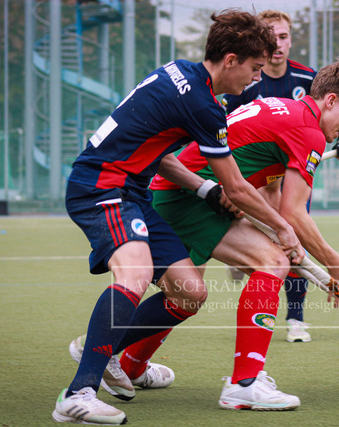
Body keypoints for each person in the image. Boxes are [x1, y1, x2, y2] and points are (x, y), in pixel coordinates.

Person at [53, 10, 304, 425]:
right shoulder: (203, 105)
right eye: (255, 68)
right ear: (231, 60)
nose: (256, 78)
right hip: (102, 187)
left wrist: (205, 190)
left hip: (133, 194)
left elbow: (162, 155)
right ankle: (79, 392)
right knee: (135, 272)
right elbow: (238, 187)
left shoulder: (180, 73)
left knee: (190, 293)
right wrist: (283, 229)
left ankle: (106, 351)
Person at [116, 58, 339, 411]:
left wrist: (279, 234)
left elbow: (269, 191)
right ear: (330, 100)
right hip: (193, 197)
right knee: (271, 263)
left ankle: (128, 365)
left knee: (185, 295)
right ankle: (244, 383)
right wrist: (334, 263)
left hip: (180, 193)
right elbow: (294, 212)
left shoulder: (285, 109)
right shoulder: (309, 132)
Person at [222, 9, 339, 343]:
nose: (278, 44)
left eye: (283, 36)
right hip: (254, 173)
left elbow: (329, 117)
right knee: (277, 239)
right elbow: (226, 130)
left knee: (294, 233)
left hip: (290, 172)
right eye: (271, 36)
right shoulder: (246, 77)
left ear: (291, 39)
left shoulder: (308, 78)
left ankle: (296, 317)